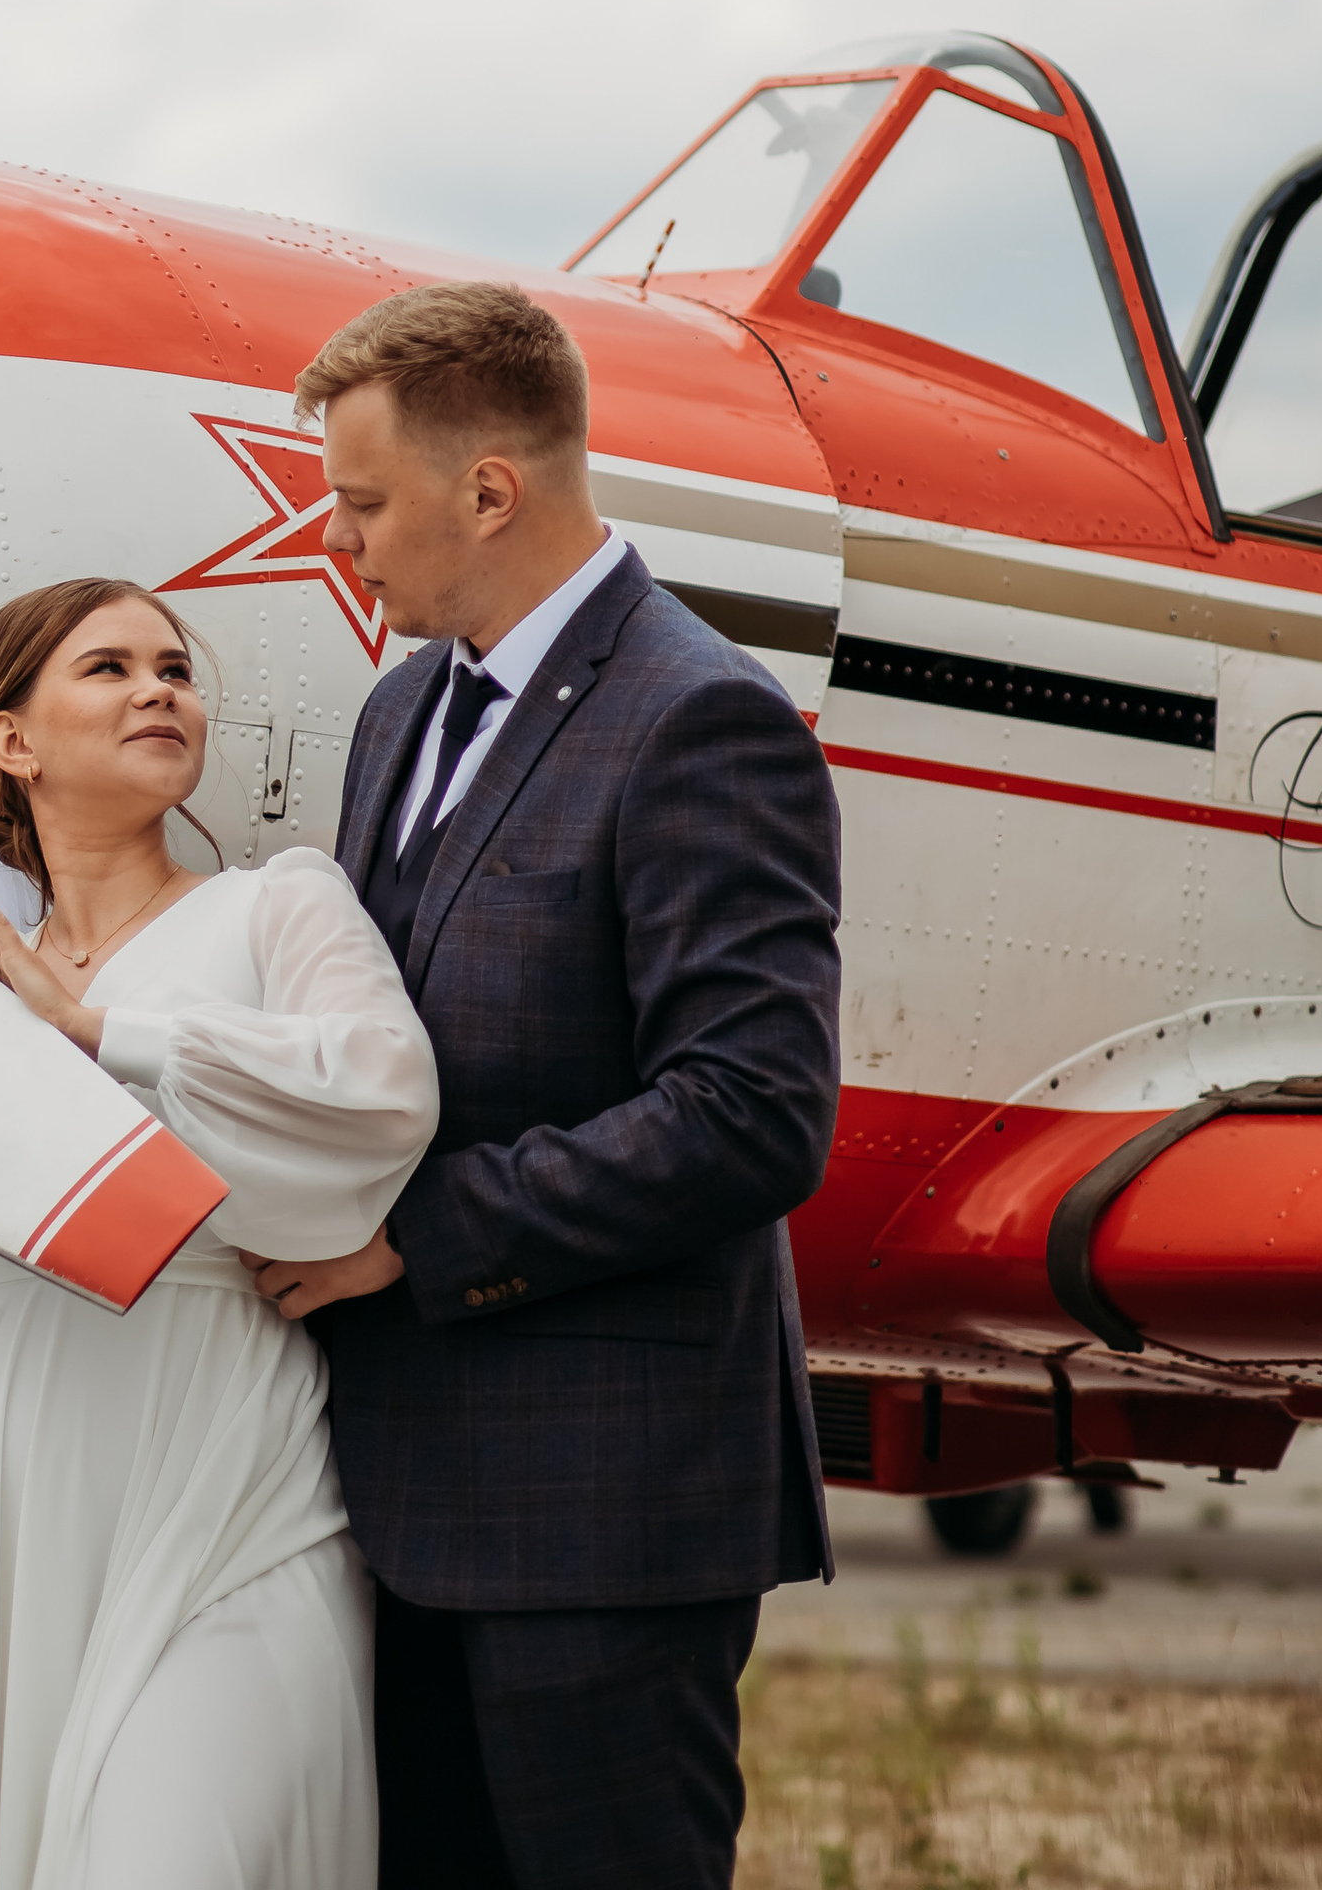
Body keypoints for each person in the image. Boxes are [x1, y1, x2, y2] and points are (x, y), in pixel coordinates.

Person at [244, 282, 841, 1890]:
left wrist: (412, 1241)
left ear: (490, 489)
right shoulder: (398, 711)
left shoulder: (702, 717)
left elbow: (752, 1112)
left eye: (364, 502)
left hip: (606, 1511)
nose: (339, 540)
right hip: (392, 1496)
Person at [0, 574, 440, 1890]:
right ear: (12, 740)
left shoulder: (278, 906)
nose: (160, 690)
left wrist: (99, 1031)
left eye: (175, 670)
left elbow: (384, 1095)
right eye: (110, 668)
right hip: (13, 1451)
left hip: (234, 1460)